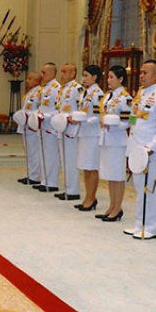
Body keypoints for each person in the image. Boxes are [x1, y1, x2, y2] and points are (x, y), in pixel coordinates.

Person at [123, 60, 156, 239]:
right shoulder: (140, 94)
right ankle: (140, 223)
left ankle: (152, 227)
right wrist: (128, 134)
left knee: (151, 190)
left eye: (146, 73)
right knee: (139, 189)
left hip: (150, 152)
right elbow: (133, 118)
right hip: (136, 149)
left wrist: (151, 148)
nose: (142, 76)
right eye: (141, 72)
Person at [96, 65, 131, 222]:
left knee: (118, 175)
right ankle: (111, 205)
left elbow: (130, 120)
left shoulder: (125, 98)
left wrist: (115, 124)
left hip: (117, 140)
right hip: (106, 138)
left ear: (121, 79)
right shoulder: (108, 95)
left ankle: (118, 208)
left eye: (112, 77)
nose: (108, 80)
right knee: (110, 175)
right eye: (108, 77)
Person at [75, 64, 104, 212]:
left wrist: (84, 121)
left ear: (95, 77)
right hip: (84, 134)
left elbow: (99, 117)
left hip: (93, 134)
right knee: (85, 167)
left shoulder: (98, 94)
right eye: (83, 75)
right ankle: (88, 196)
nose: (84, 79)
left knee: (92, 167)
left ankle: (91, 198)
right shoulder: (84, 93)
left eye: (86, 76)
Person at [55, 63, 83, 201]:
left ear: (73, 74)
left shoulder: (77, 89)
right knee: (64, 159)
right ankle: (67, 188)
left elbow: (80, 108)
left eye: (65, 72)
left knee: (71, 160)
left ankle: (73, 190)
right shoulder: (62, 89)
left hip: (72, 128)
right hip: (62, 126)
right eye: (62, 71)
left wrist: (74, 120)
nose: (62, 74)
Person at [33, 62, 61, 193]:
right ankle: (45, 180)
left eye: (44, 72)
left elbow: (58, 109)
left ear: (52, 73)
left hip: (50, 126)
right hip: (42, 125)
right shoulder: (44, 88)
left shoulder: (56, 88)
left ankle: (52, 182)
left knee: (51, 155)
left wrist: (46, 116)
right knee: (43, 154)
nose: (41, 75)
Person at [17, 71, 43, 186]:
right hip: (26, 125)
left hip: (32, 125)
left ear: (37, 81)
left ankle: (35, 176)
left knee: (34, 151)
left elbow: (40, 108)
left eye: (30, 79)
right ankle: (30, 174)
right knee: (28, 151)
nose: (27, 81)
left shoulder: (39, 92)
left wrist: (32, 118)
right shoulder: (30, 93)